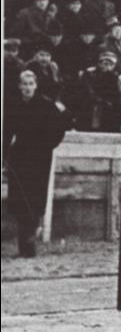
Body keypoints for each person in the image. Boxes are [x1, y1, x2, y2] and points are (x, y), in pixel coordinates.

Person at [3, 71, 68, 257]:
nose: (27, 87)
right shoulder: (13, 105)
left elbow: (60, 127)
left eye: (31, 83)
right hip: (19, 158)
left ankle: (29, 248)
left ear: (36, 85)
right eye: (24, 84)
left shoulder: (46, 105)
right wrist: (4, 156)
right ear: (19, 86)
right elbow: (6, 132)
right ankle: (24, 248)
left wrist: (46, 146)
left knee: (33, 201)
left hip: (39, 159)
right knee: (19, 202)